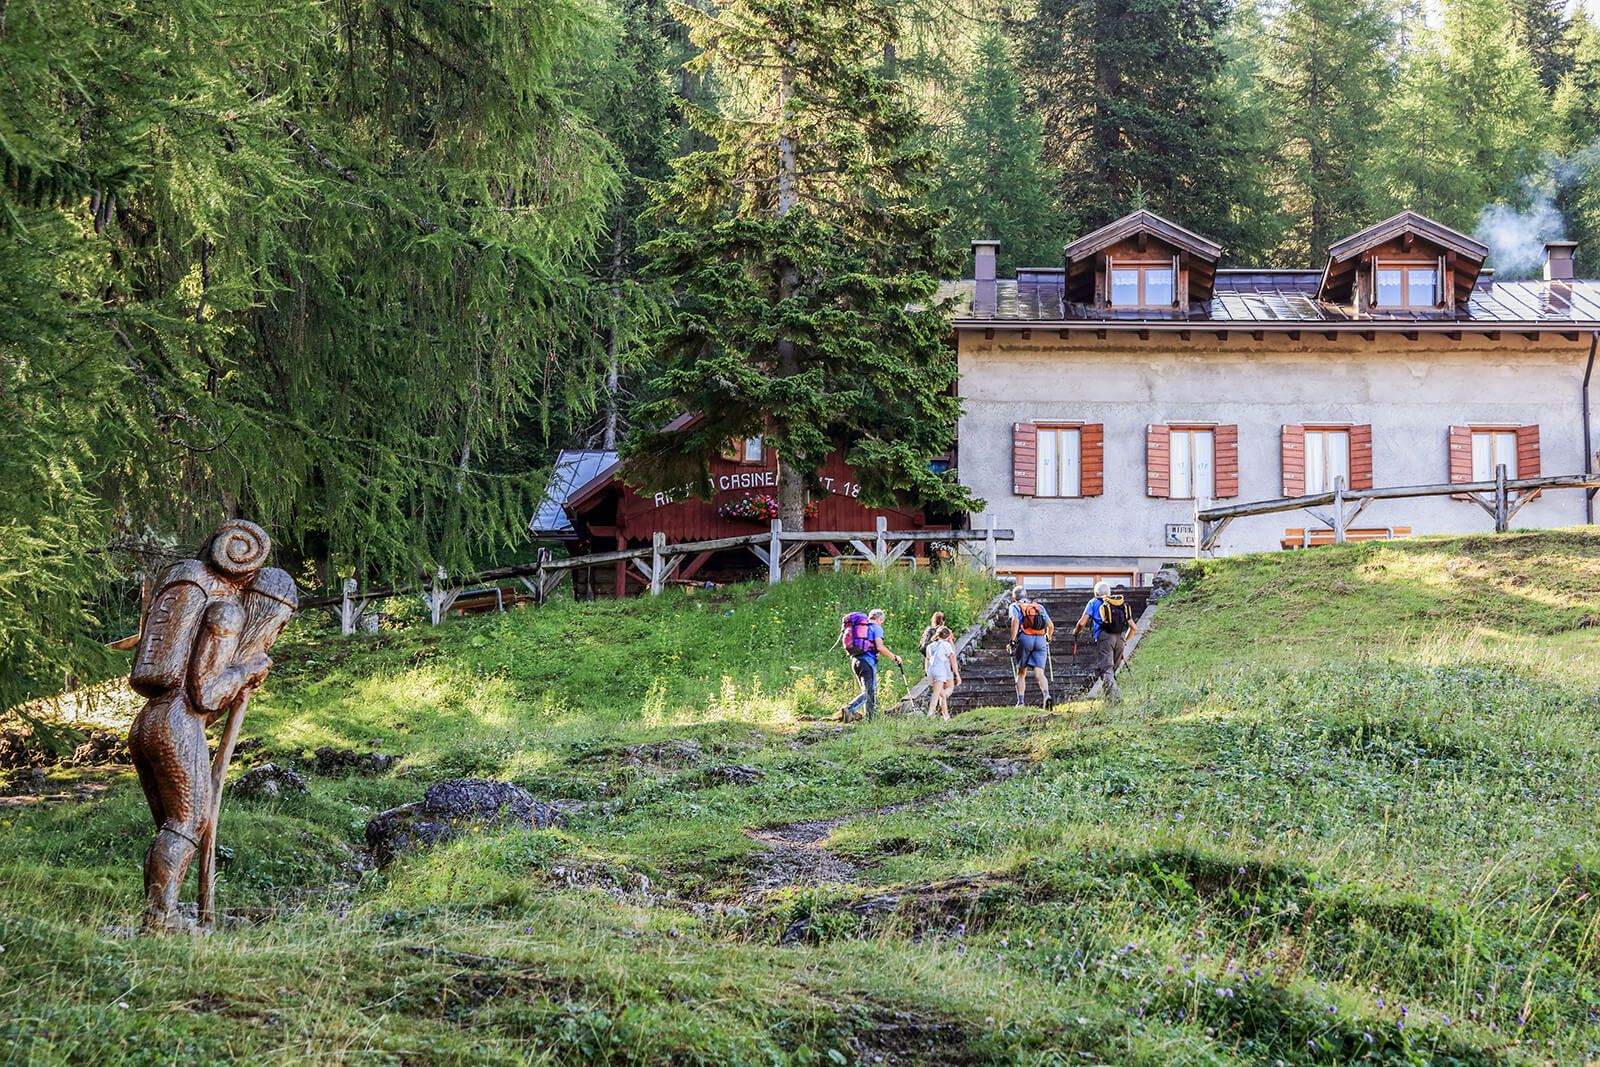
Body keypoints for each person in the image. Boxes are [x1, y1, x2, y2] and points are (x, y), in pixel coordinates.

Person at [1073, 581, 1138, 702]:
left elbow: (1082, 622)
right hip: (1119, 637)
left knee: (1107, 669)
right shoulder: (1120, 604)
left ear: (1095, 593)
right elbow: (1134, 627)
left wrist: (1076, 632)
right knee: (1111, 671)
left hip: (1104, 638)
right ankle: (1109, 700)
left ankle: (1116, 700)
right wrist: (1125, 640)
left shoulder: (1093, 602)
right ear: (1109, 593)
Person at [840, 608, 903, 722]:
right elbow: (880, 647)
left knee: (868, 691)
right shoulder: (876, 628)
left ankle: (871, 719)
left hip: (855, 661)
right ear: (880, 619)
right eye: (882, 621)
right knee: (869, 692)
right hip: (867, 662)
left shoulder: (861, 627)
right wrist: (895, 657)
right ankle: (850, 708)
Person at [1007, 586, 1054, 708]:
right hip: (1040, 639)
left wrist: (1012, 641)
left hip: (1025, 638)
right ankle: (1046, 695)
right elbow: (1050, 625)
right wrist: (1048, 637)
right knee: (1039, 672)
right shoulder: (1038, 606)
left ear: (1014, 597)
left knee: (1021, 672)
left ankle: (1021, 702)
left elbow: (1015, 621)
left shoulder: (1015, 606)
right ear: (1026, 595)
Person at [925, 625, 961, 720]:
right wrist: (957, 674)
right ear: (948, 637)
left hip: (931, 671)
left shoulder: (930, 646)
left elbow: (927, 659)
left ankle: (946, 716)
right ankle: (930, 714)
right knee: (937, 694)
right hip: (940, 671)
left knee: (940, 693)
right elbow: (952, 660)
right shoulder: (946, 645)